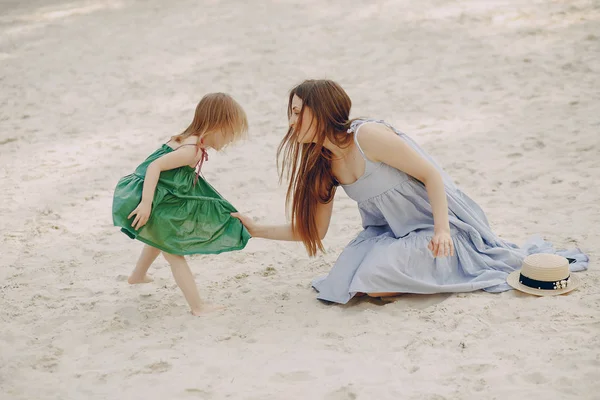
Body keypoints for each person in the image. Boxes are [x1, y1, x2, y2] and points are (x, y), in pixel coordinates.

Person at [232, 79, 588, 304]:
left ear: (321, 110)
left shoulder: (367, 136)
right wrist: (255, 228)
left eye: (298, 112)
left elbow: (430, 174)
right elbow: (316, 231)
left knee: (371, 283)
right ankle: (410, 267)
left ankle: (435, 268)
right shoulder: (322, 166)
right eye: (290, 113)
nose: (291, 122)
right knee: (342, 284)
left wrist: (443, 229)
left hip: (439, 229)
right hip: (389, 234)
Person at [112, 93, 251, 315]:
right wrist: (146, 203)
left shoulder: (187, 139)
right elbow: (154, 167)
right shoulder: (191, 150)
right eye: (231, 133)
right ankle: (198, 306)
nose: (231, 140)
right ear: (218, 126)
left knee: (159, 237)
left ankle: (137, 276)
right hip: (147, 198)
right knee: (174, 251)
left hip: (158, 198)